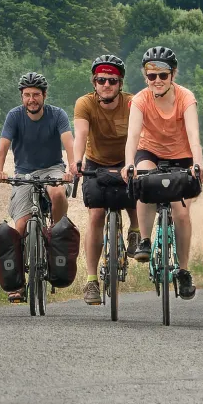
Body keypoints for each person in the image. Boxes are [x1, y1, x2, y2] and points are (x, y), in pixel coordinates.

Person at [120, 46, 203, 300]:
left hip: (182, 155)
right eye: (151, 75)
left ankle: (184, 270)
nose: (157, 81)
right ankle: (144, 241)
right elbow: (133, 136)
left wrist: (198, 164)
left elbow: (194, 135)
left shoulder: (185, 97)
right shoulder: (140, 100)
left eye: (163, 75)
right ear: (145, 76)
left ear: (173, 75)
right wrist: (128, 164)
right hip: (150, 152)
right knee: (143, 182)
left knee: (181, 214)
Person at [0, 71, 77, 304]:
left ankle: (55, 237)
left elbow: (69, 143)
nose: (32, 99)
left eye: (36, 95)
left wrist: (71, 168)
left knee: (58, 192)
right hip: (24, 174)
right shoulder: (14, 116)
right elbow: (2, 148)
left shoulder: (57, 115)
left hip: (53, 169)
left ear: (44, 95)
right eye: (27, 95)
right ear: (21, 96)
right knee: (19, 227)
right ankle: (17, 284)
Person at [72, 55, 139, 306]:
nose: (106, 85)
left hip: (126, 161)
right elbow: (80, 134)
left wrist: (134, 164)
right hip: (97, 162)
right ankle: (91, 280)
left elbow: (140, 135)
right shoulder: (85, 104)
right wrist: (77, 161)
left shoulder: (133, 103)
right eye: (101, 80)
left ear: (120, 83)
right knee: (96, 214)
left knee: (135, 193)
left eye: (112, 80)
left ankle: (135, 231)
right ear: (94, 82)